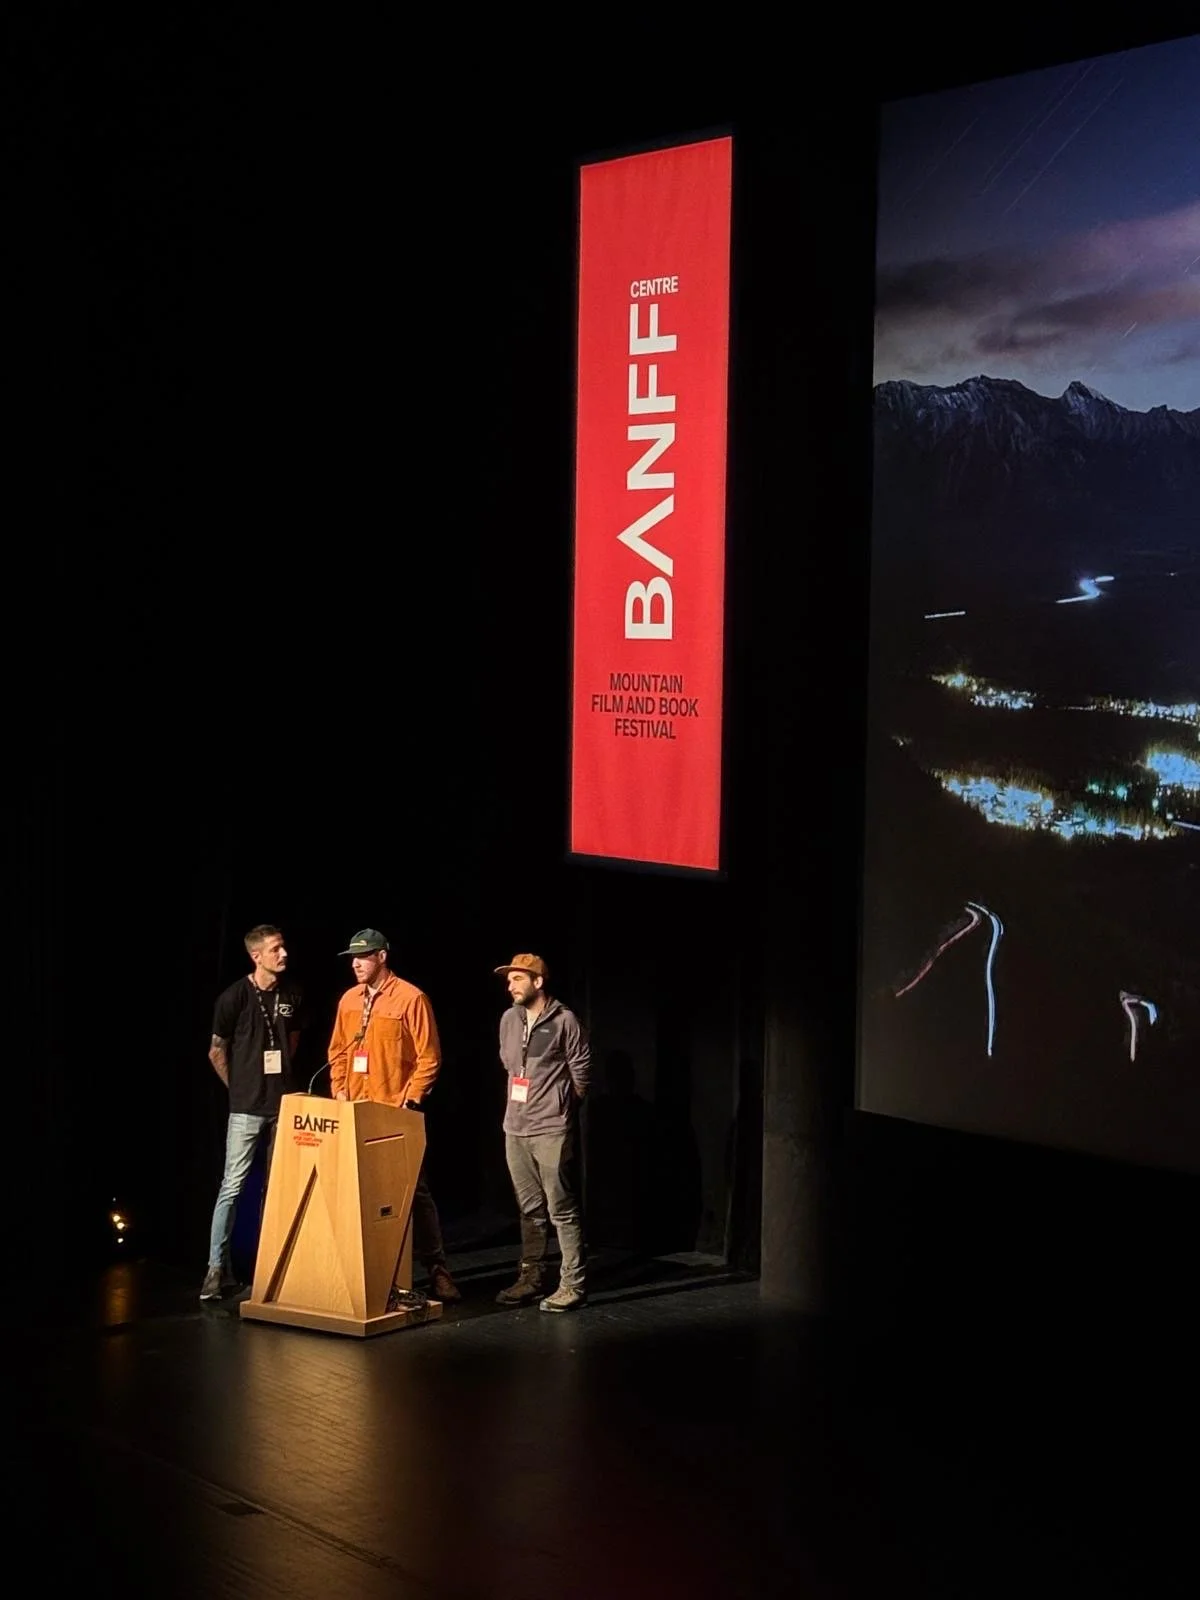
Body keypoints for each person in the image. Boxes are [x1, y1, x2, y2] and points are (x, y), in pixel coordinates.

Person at [326, 929, 460, 1304]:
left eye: (363, 956)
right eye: (352, 958)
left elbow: (429, 1056)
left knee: (414, 1192)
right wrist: (339, 1090)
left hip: (395, 1113)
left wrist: (410, 1100)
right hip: (355, 1111)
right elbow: (338, 1051)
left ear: (382, 957)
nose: (355, 963)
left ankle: (437, 1270)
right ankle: (368, 1274)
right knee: (359, 1193)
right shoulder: (349, 1000)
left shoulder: (411, 997)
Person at [201, 924, 303, 1301]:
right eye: (275, 949)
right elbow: (216, 1050)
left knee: (277, 1188)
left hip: (283, 1107)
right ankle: (215, 1270)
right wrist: (240, 1088)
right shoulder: (234, 997)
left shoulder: (293, 993)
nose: (284, 954)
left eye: (283, 947)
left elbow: (292, 1039)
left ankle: (272, 1269)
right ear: (256, 956)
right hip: (246, 1109)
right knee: (233, 1185)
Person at [493, 953, 590, 1313]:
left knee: (560, 1208)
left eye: (517, 979)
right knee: (529, 1208)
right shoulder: (509, 1019)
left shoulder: (565, 1021)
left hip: (550, 1128)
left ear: (538, 982)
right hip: (514, 1127)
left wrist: (560, 1105)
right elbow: (508, 1062)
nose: (510, 985)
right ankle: (531, 1278)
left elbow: (581, 1071)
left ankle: (572, 1284)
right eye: (509, 980)